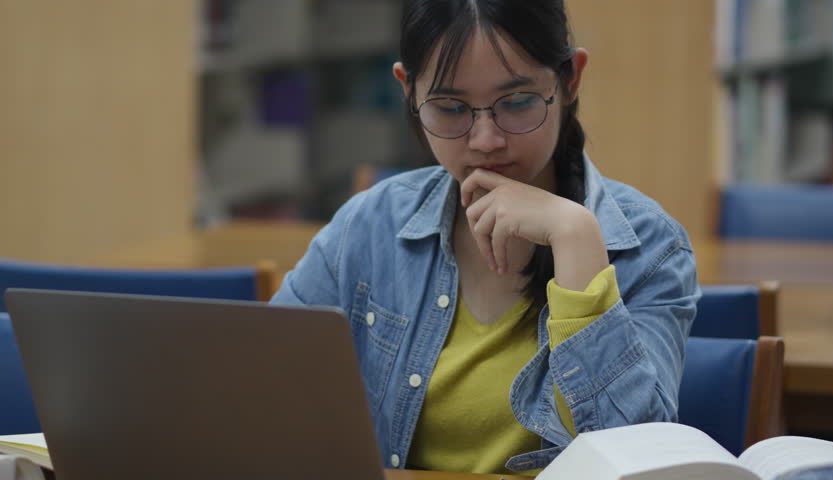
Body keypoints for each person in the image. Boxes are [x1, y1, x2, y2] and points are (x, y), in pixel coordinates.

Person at [271, 0, 700, 475]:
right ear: (408, 90)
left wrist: (577, 242)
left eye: (517, 103)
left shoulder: (650, 247)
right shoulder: (368, 226)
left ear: (570, 80)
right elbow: (259, 393)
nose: (485, 140)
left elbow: (639, 460)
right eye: (451, 108)